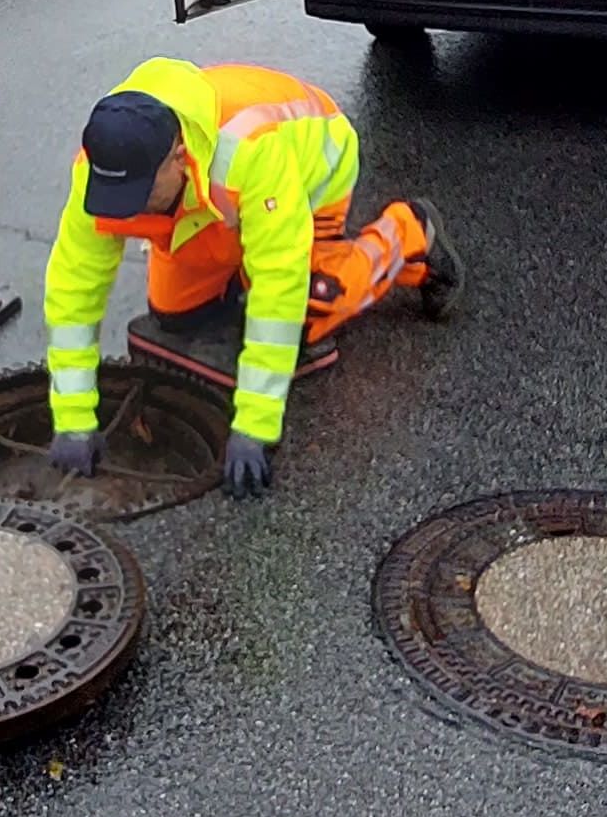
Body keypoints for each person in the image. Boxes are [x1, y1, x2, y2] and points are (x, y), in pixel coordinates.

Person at [41, 59, 458, 499]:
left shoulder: (250, 151)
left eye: (141, 195)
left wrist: (254, 425)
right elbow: (74, 289)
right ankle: (241, 263)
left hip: (311, 175)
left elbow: (279, 286)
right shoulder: (102, 168)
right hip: (212, 210)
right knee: (174, 314)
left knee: (310, 306)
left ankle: (409, 232)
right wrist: (72, 417)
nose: (128, 210)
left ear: (178, 158)